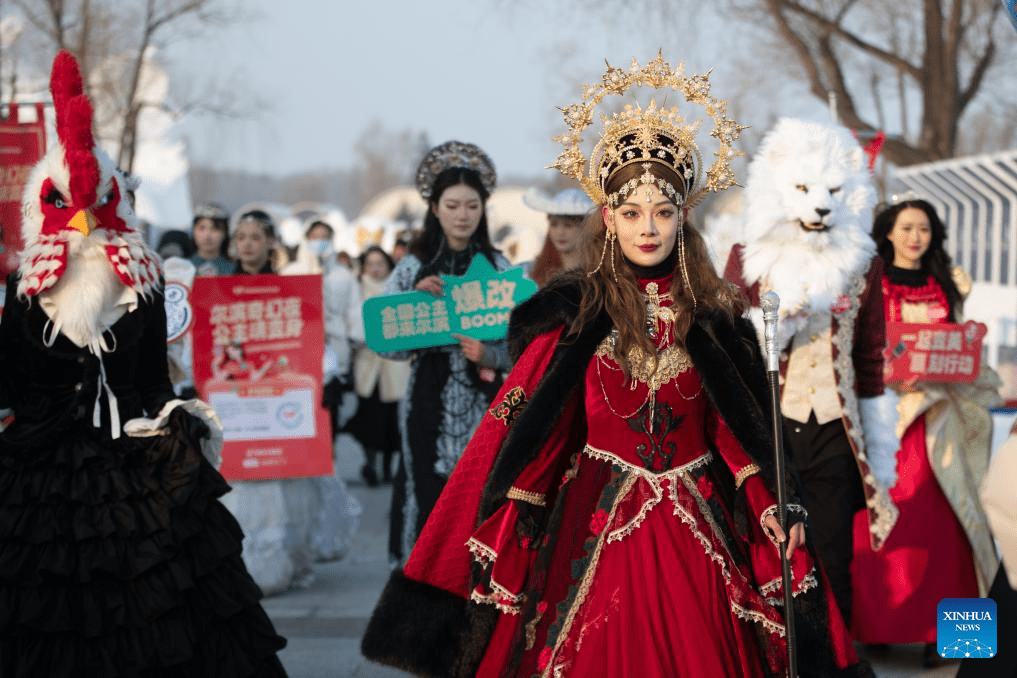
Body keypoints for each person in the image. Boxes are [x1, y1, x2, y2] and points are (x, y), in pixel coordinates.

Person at [362, 55, 870, 678]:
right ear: (609, 219)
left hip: (699, 524)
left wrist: (775, 504)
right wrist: (514, 505)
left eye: (662, 211)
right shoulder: (575, 317)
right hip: (592, 520)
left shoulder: (714, 319)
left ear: (683, 216)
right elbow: (530, 424)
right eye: (631, 213)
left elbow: (738, 433)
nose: (648, 228)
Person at [0, 50, 287, 677]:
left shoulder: (144, 283)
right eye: (67, 207)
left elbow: (153, 382)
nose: (81, 224)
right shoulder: (22, 290)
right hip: (39, 476)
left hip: (131, 463)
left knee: (162, 604)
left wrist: (171, 420)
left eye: (95, 205)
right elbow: (13, 383)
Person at [851, 198, 1002, 666]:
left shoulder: (950, 284)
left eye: (924, 228)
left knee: (950, 525)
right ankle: (875, 628)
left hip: (940, 420)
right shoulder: (866, 281)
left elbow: (956, 347)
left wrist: (966, 352)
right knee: (883, 525)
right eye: (906, 227)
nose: (916, 236)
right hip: (887, 421)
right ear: (888, 233)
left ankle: (955, 638)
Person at [382, 140, 513, 566]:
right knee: (427, 493)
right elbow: (386, 343)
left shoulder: (499, 268)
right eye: (452, 205)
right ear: (434, 208)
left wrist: (491, 356)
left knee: (484, 495)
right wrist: (414, 307)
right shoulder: (410, 268)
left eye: (471, 206)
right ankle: (422, 584)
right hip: (427, 399)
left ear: (483, 209)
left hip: (488, 400)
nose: (462, 215)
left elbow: (527, 343)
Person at [280, 216, 364, 564]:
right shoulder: (291, 273)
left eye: (325, 237)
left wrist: (350, 347)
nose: (319, 242)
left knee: (325, 444)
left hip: (332, 367)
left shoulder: (344, 277)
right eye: (314, 237)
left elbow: (353, 316)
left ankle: (326, 523)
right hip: (296, 365)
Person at [346, 245, 411, 486]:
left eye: (380, 263)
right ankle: (370, 464)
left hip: (395, 364)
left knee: (392, 420)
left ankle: (387, 467)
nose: (375, 269)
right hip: (367, 363)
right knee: (369, 417)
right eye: (370, 264)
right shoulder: (356, 289)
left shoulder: (398, 289)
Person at [522, 186, 592, 285]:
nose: (560, 232)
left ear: (585, 228)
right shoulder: (532, 270)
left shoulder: (598, 271)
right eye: (554, 224)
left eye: (568, 225)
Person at [190, 202, 233, 276]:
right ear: (193, 231)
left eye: (215, 229)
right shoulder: (183, 268)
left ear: (225, 233)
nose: (207, 235)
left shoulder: (234, 269)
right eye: (201, 228)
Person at [232, 210, 278, 275]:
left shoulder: (280, 283)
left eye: (255, 238)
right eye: (241, 238)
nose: (246, 244)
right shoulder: (222, 281)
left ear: (270, 241)